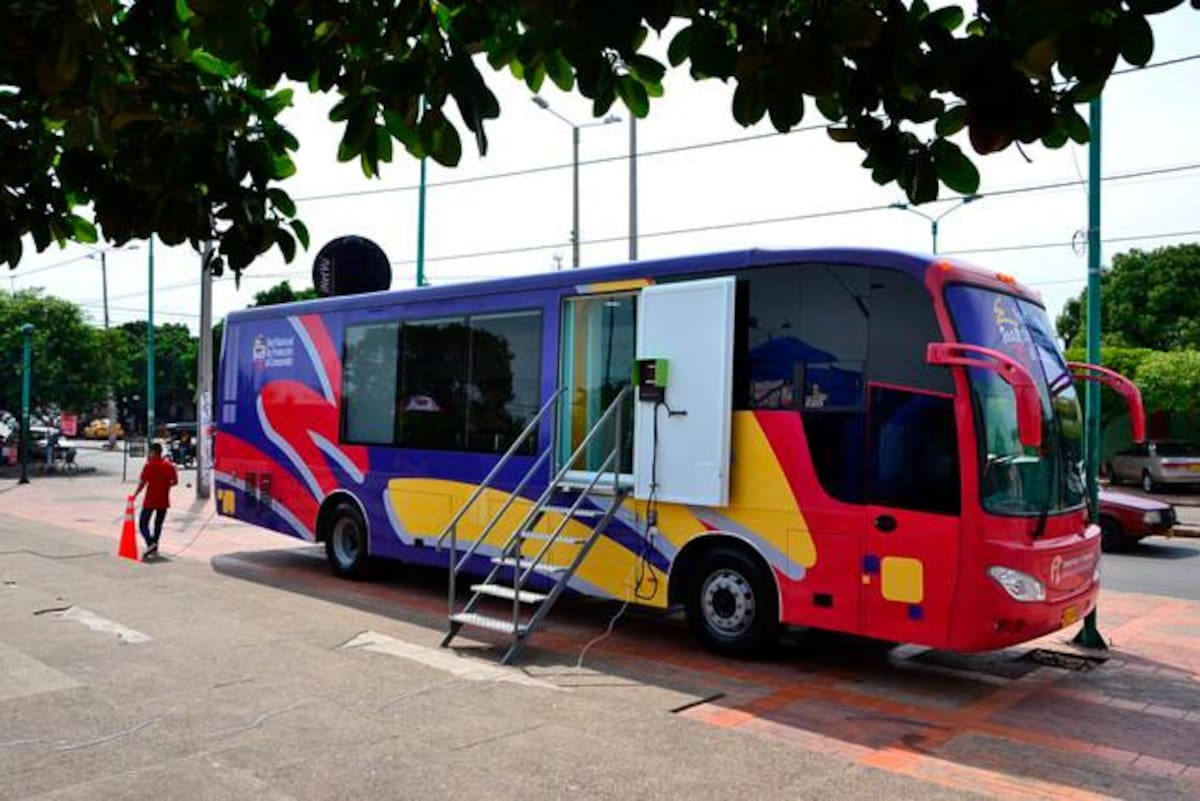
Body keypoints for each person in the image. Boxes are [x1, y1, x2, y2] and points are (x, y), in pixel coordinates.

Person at [133, 442, 178, 559]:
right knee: (158, 524)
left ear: (153, 452)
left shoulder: (149, 466)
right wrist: (165, 486)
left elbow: (143, 483)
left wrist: (135, 494)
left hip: (150, 500)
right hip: (163, 500)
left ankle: (150, 543)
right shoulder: (169, 465)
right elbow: (175, 482)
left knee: (143, 524)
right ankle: (155, 547)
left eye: (150, 451)